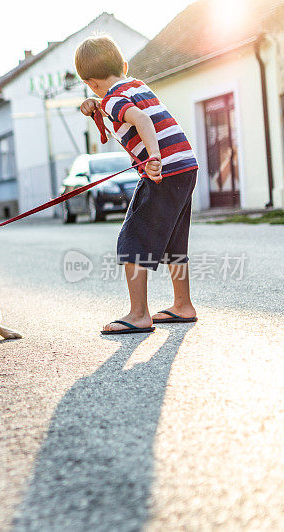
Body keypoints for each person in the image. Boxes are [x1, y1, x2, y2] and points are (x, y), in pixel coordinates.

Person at [74, 35, 199, 334]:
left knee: (132, 239)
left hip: (161, 170)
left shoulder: (113, 98)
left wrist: (153, 156)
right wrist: (94, 105)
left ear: (91, 82)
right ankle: (183, 305)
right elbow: (129, 108)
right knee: (174, 240)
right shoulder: (135, 85)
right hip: (185, 165)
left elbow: (141, 120)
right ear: (124, 65)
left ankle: (139, 314)